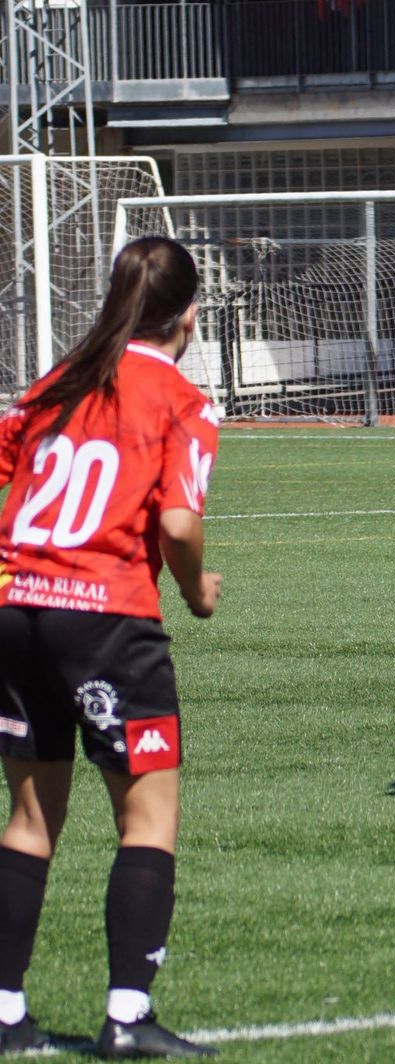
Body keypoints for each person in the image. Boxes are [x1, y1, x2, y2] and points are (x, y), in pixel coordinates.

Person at [0, 236, 222, 1058]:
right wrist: (197, 590)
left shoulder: (59, 380)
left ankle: (5, 1013)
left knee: (29, 820)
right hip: (106, 617)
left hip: (17, 606)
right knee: (147, 816)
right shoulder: (182, 401)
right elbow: (175, 523)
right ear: (189, 314)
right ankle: (127, 1017)